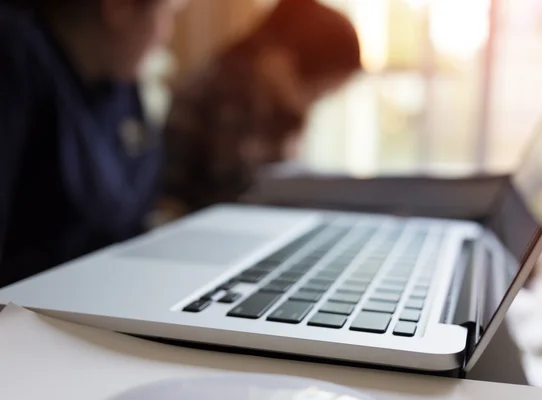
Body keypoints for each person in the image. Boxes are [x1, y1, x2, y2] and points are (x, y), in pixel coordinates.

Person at [0, 0, 360, 288]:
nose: (166, 37)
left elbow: (131, 219)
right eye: (169, 13)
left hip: (110, 290)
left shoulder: (119, 87)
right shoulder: (14, 59)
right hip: (37, 318)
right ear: (118, 7)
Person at [161, 0, 361, 216]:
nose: (310, 104)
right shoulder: (226, 92)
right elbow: (238, 191)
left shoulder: (273, 101)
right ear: (280, 58)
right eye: (314, 91)